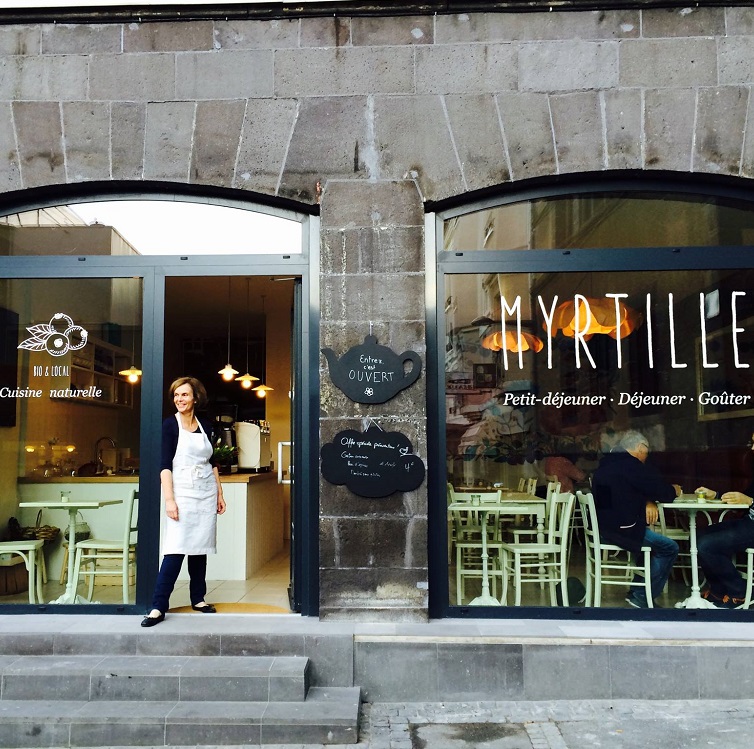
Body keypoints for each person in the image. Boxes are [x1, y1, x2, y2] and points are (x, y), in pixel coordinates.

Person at [141, 376, 227, 627]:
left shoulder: (205, 426)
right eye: (176, 395)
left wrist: (220, 494)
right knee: (175, 549)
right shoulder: (170, 425)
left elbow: (212, 463)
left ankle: (198, 598)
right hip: (182, 493)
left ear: (195, 398)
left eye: (185, 395)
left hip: (205, 492)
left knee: (200, 549)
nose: (179, 399)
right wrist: (169, 500)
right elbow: (164, 465)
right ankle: (158, 606)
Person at [592, 430, 682, 608]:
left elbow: (626, 492)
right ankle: (641, 597)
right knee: (669, 548)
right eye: (647, 450)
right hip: (623, 530)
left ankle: (636, 591)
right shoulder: (631, 466)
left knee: (649, 545)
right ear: (641, 447)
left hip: (605, 528)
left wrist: (647, 501)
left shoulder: (606, 465)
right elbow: (660, 491)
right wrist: (675, 490)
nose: (647, 455)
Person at [694, 432, 754, 609]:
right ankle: (718, 590)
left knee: (706, 545)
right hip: (748, 522)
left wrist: (751, 501)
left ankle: (740, 592)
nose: (752, 449)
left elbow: (749, 500)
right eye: (752, 443)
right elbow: (745, 498)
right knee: (697, 537)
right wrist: (717, 495)